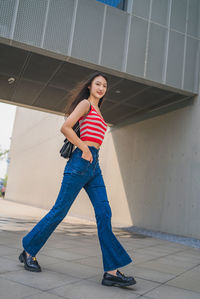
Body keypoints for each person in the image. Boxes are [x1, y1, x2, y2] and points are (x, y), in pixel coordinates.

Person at [19, 71, 136, 287]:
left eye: (104, 86)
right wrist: (83, 148)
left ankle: (111, 272)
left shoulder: (100, 112)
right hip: (79, 163)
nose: (101, 88)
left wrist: (92, 155)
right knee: (59, 211)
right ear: (90, 87)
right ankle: (28, 251)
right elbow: (65, 127)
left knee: (104, 213)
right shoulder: (85, 104)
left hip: (94, 166)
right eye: (97, 84)